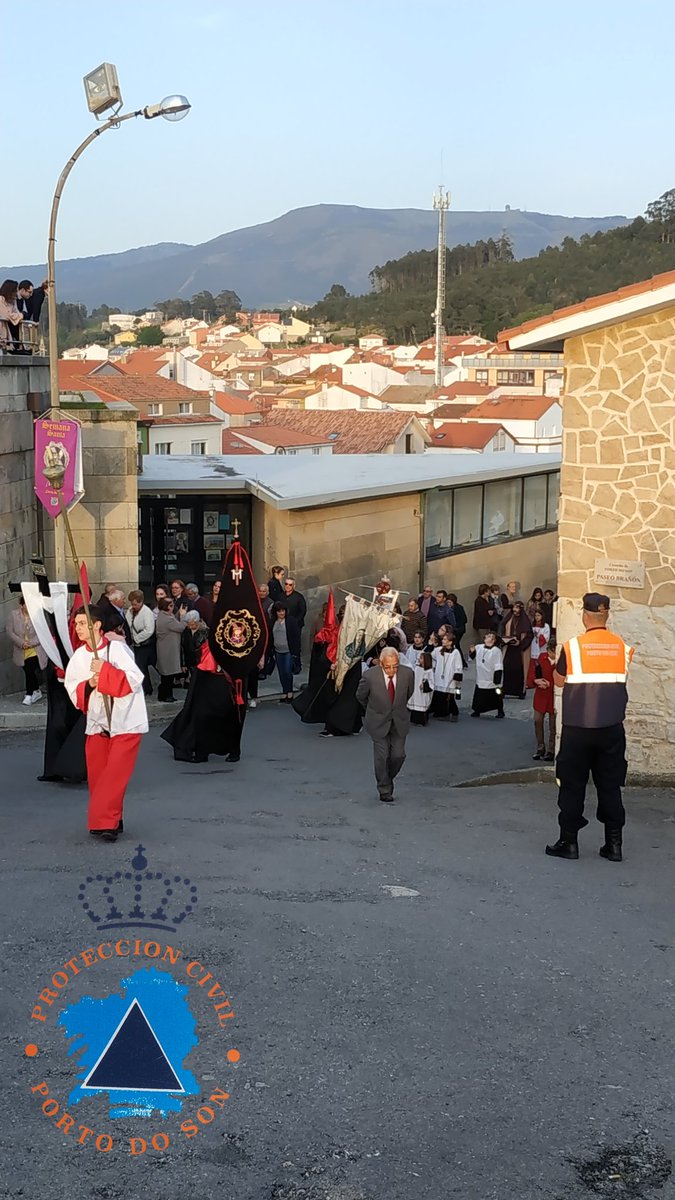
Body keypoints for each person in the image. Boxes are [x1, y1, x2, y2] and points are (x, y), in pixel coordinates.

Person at [546, 594, 634, 863]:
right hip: (611, 728)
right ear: (606, 616)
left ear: (585, 616)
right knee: (610, 785)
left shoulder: (573, 647)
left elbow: (559, 681)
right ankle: (614, 845)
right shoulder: (622, 647)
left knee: (572, 785)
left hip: (578, 728)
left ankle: (569, 842)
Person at [64, 605, 148, 841]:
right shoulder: (79, 657)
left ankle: (105, 823)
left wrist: (106, 670)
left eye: (82, 623)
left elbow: (134, 680)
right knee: (99, 774)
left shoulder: (117, 650)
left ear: (97, 625)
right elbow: (74, 691)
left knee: (114, 774)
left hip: (125, 721)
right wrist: (91, 682)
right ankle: (113, 817)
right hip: (98, 722)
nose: (77, 628)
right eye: (76, 624)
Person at [161, 639, 244, 763]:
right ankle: (202, 751)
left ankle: (233, 750)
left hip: (225, 684)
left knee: (227, 717)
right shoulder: (208, 643)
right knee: (203, 716)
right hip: (209, 682)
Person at [356, 647, 415, 803]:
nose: (392, 670)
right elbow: (361, 696)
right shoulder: (369, 676)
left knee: (398, 755)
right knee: (382, 757)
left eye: (395, 666)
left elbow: (408, 693)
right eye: (388, 666)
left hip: (399, 720)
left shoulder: (407, 674)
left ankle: (387, 777)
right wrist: (373, 710)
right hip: (377, 721)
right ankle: (384, 789)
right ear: (381, 664)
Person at [7, 594, 46, 705]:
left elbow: (43, 632)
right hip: (21, 649)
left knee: (30, 669)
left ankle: (28, 694)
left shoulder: (38, 615)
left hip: (35, 649)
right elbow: (10, 631)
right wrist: (21, 642)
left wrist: (31, 642)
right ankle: (36, 690)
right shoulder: (14, 615)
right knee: (27, 670)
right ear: (21, 605)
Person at [527, 638, 556, 762]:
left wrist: (551, 684)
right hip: (541, 694)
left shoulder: (560, 661)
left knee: (553, 725)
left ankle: (551, 749)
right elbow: (533, 673)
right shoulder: (541, 657)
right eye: (551, 652)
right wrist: (536, 681)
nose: (552, 655)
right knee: (537, 721)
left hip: (553, 696)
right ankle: (540, 747)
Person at [126, 589, 156, 696]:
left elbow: (149, 630)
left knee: (141, 666)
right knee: (140, 666)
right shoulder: (130, 611)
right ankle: (145, 687)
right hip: (136, 644)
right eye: (132, 604)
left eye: (135, 604)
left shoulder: (147, 613)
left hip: (144, 644)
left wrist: (136, 638)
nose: (133, 606)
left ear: (141, 602)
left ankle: (146, 688)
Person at [469, 632, 505, 719]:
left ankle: (500, 710)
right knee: (479, 695)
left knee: (495, 695)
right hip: (481, 676)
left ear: (494, 641)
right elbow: (472, 657)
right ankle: (477, 710)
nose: (489, 638)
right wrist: (472, 651)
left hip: (491, 677)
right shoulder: (479, 647)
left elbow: (498, 665)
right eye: (488, 636)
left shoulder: (496, 651)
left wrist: (497, 679)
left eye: (492, 637)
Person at [501, 601, 533, 698]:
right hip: (509, 648)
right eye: (514, 608)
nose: (515, 610)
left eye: (517, 608)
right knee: (507, 668)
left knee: (519, 670)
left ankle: (520, 692)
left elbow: (529, 635)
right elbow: (501, 627)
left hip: (520, 651)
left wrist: (521, 643)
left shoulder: (525, 621)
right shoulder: (508, 619)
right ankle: (505, 690)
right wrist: (505, 639)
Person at [155, 597, 184, 701]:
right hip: (168, 651)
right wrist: (184, 617)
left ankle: (164, 695)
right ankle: (167, 695)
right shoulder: (167, 619)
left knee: (166, 675)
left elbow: (174, 621)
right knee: (168, 675)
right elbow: (180, 627)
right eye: (171, 605)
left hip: (166, 649)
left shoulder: (164, 616)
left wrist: (179, 614)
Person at [272, 602, 301, 702]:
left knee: (287, 671)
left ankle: (290, 692)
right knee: (281, 673)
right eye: (279, 611)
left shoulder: (290, 621)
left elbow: (296, 636)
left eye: (283, 611)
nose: (281, 613)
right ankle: (284, 692)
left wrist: (296, 652)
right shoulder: (273, 622)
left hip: (288, 650)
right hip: (277, 651)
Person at [431, 633, 463, 722]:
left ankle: (454, 713)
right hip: (439, 676)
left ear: (450, 642)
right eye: (443, 639)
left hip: (450, 677)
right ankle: (443, 713)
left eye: (445, 640)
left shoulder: (455, 652)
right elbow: (431, 656)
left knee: (449, 697)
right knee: (440, 696)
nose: (443, 641)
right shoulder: (438, 650)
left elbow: (458, 666)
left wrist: (457, 679)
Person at [408, 651, 434, 726]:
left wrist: (425, 685)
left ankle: (422, 721)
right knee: (415, 704)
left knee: (421, 705)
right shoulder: (417, 668)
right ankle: (414, 720)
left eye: (421, 658)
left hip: (423, 692)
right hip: (416, 690)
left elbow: (431, 682)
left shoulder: (429, 671)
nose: (419, 659)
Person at [0, 279, 23, 351]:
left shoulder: (13, 301)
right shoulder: (1, 300)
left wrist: (18, 315)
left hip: (11, 329)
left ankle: (20, 345)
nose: (16, 293)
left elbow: (16, 312)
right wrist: (20, 316)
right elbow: (7, 315)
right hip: (3, 330)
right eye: (15, 291)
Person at [448, 592, 467, 662]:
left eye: (450, 602)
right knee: (456, 645)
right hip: (454, 629)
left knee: (456, 644)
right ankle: (461, 661)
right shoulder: (449, 609)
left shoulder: (459, 608)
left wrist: (455, 626)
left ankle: (462, 661)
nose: (449, 604)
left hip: (459, 630)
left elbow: (464, 619)